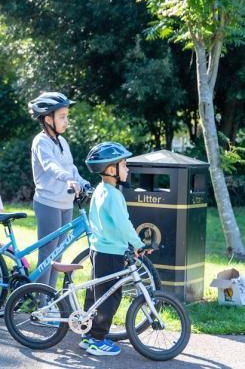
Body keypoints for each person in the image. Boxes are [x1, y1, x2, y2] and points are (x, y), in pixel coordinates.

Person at [80, 141, 150, 356]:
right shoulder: (114, 195)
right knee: (109, 299)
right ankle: (97, 340)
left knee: (96, 294)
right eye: (124, 164)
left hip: (98, 250)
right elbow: (123, 224)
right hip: (110, 253)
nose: (127, 169)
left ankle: (88, 333)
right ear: (111, 170)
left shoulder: (100, 190)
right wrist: (138, 244)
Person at [29, 92, 90, 289]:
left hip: (65, 203)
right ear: (48, 119)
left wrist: (83, 182)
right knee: (48, 254)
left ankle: (50, 297)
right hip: (48, 203)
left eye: (67, 116)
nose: (67, 121)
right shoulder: (41, 141)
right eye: (62, 117)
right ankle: (39, 300)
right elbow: (51, 166)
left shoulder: (62, 142)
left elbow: (70, 168)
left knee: (59, 254)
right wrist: (69, 180)